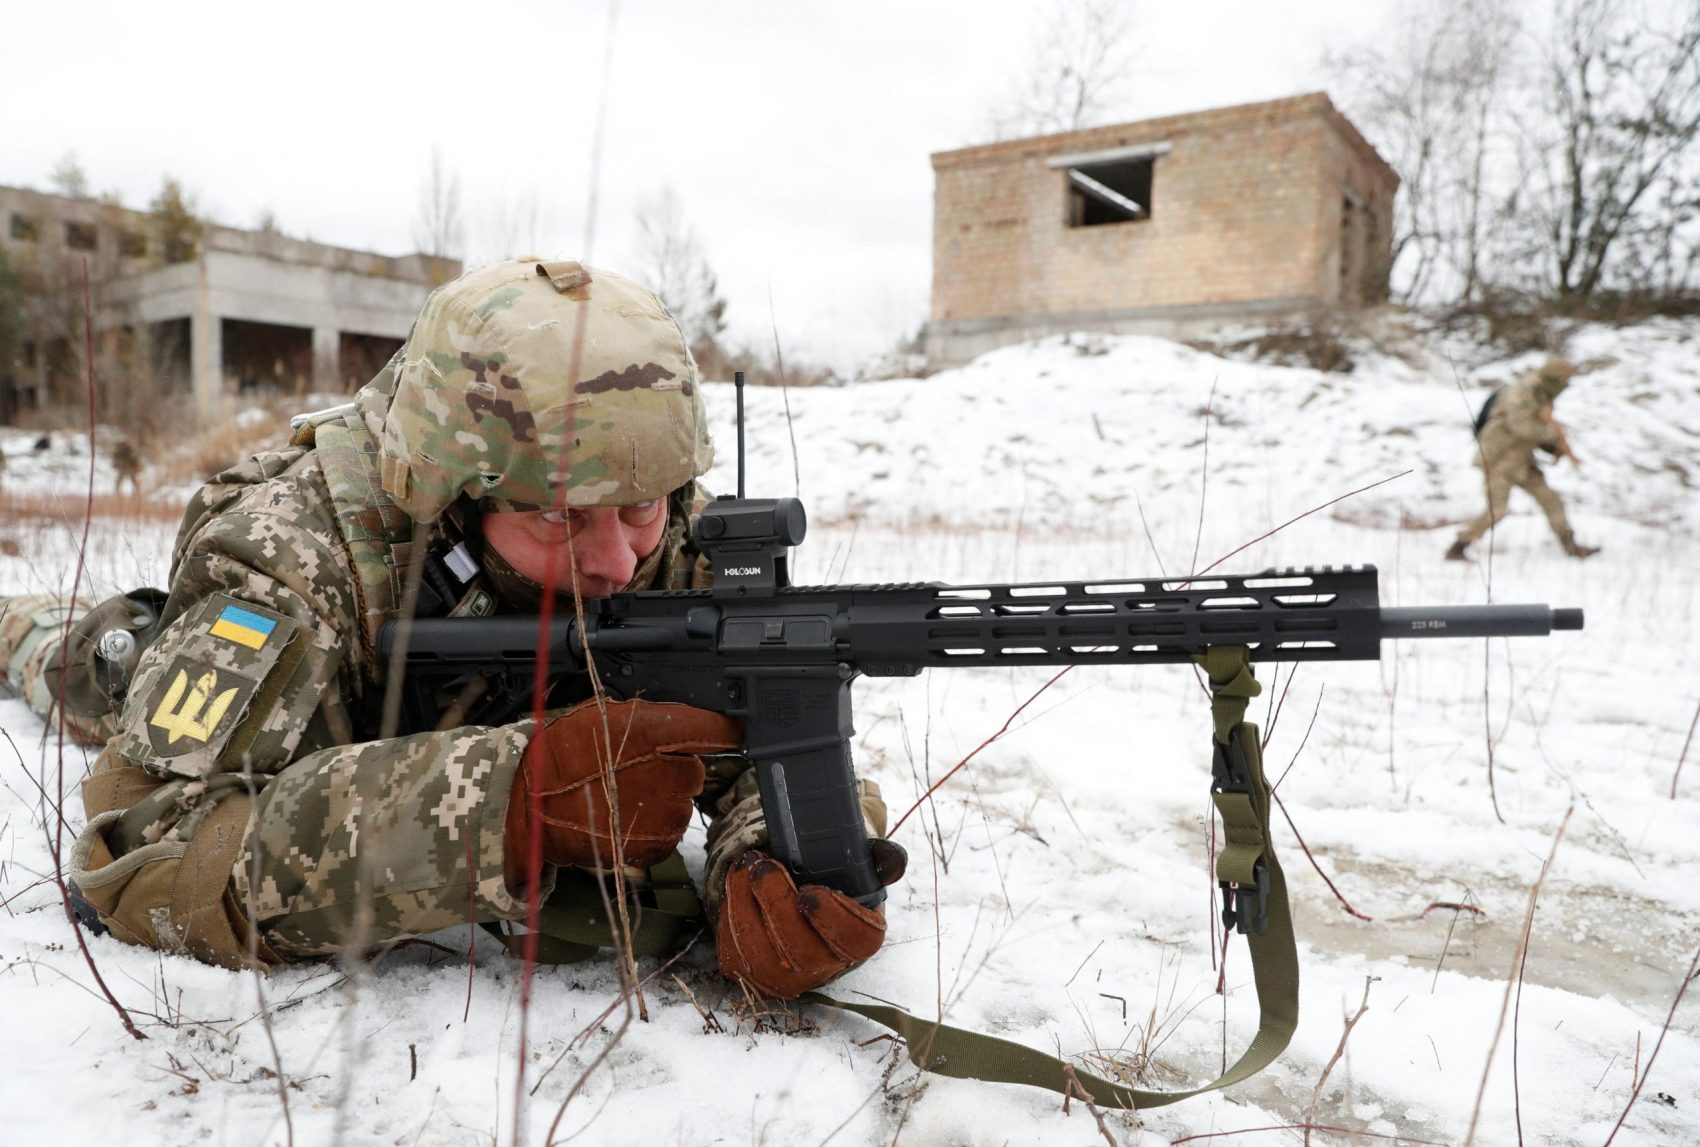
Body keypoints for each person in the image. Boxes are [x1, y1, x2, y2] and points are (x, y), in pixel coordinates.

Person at [0, 258, 904, 997]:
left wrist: (765, 862)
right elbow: (146, 857)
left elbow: (757, 729)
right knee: (99, 660)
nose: (621, 561)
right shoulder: (294, 552)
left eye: (641, 509)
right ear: (452, 497)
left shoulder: (649, 512)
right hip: (268, 691)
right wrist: (511, 803)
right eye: (559, 519)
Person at [1445, 356, 1600, 561]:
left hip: (1522, 461)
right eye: (1564, 382)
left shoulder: (1542, 394)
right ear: (1556, 379)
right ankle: (1458, 547)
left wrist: (1552, 447)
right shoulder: (1523, 392)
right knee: (1497, 510)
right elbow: (1521, 427)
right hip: (1499, 460)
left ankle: (1571, 547)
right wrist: (1552, 436)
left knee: (1551, 501)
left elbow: (1534, 430)